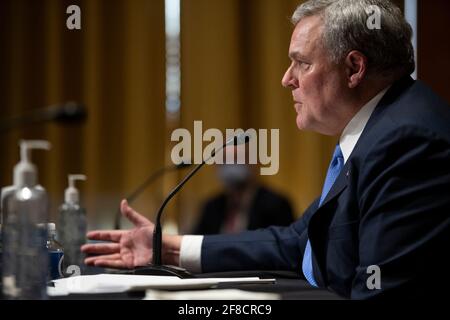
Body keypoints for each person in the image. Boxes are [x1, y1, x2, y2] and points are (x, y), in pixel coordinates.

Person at [82, 0, 450, 299]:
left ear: (354, 67)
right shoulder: (379, 128)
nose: (286, 78)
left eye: (302, 63)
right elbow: (299, 242)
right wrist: (170, 248)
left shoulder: (407, 141)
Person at [193, 146, 294, 235]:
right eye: (224, 159)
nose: (230, 164)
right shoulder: (212, 207)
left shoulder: (276, 205)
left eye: (237, 158)